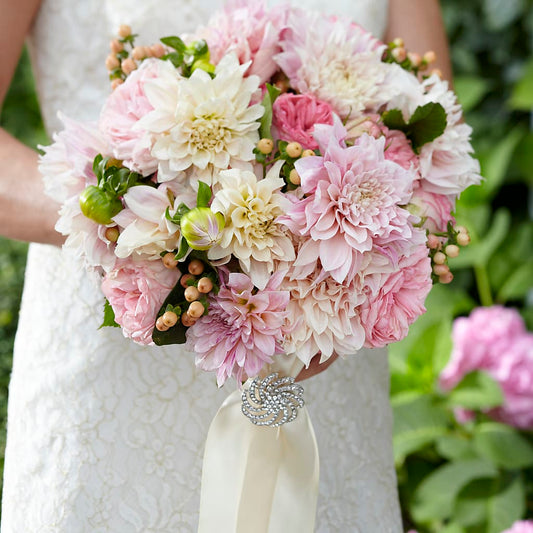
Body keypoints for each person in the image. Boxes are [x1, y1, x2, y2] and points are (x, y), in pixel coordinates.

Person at [0, 0, 452, 531]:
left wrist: (343, 255)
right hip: (114, 342)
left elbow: (430, 141)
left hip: (320, 339)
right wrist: (150, 225)